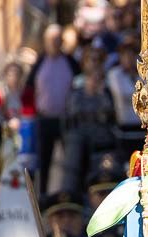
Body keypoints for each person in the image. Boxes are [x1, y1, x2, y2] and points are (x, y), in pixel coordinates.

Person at [26, 25, 79, 194]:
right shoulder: (40, 62)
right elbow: (28, 88)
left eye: (57, 40)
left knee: (70, 162)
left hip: (66, 119)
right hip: (45, 118)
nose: (54, 43)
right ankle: (41, 196)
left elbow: (79, 83)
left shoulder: (70, 62)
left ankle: (68, 194)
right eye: (51, 40)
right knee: (44, 161)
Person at [61, 48, 116, 193]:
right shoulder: (76, 89)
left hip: (101, 136)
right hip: (79, 134)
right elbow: (71, 113)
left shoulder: (106, 90)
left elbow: (110, 115)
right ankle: (70, 194)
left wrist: (99, 94)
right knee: (73, 157)